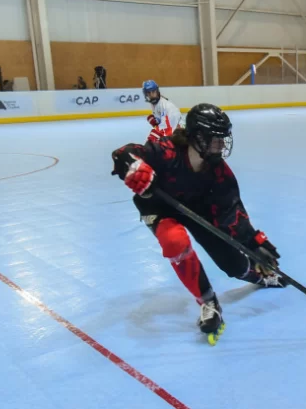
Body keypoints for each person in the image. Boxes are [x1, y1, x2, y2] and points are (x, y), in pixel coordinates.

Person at [111, 103, 286, 345]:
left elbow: (233, 212)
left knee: (232, 264)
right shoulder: (165, 151)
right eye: (217, 138)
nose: (222, 145)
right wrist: (131, 165)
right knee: (174, 241)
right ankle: (208, 302)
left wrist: (254, 244)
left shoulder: (219, 172)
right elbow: (126, 152)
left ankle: (260, 277)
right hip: (160, 209)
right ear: (198, 138)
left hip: (199, 209)